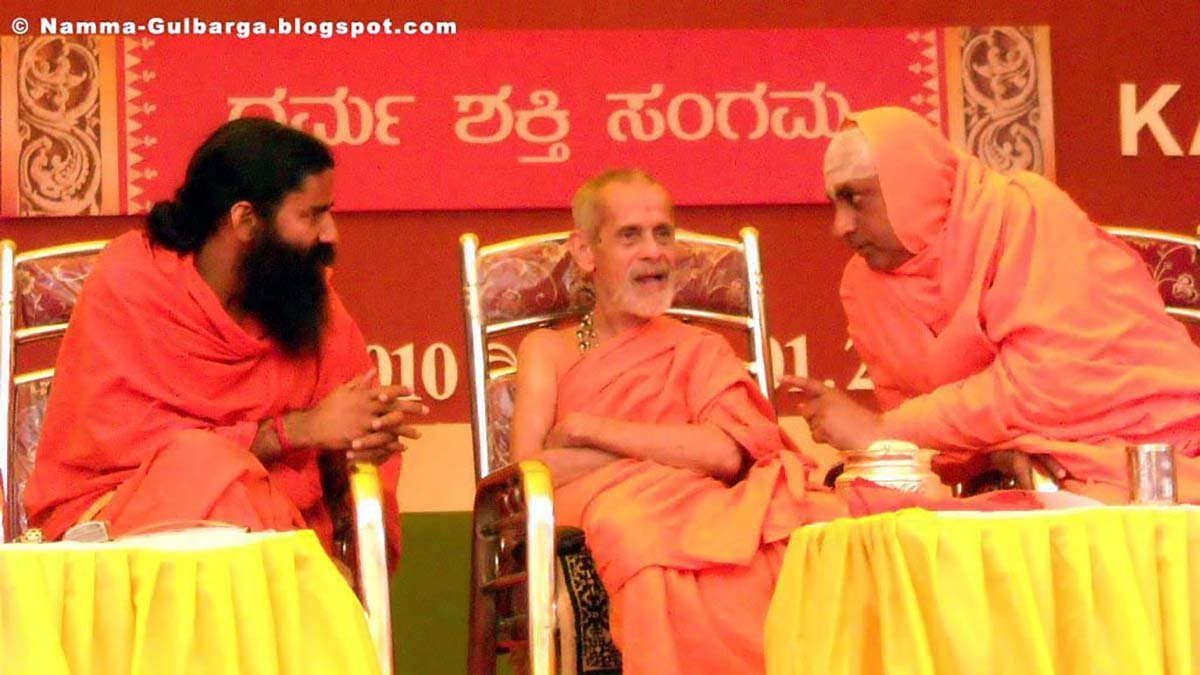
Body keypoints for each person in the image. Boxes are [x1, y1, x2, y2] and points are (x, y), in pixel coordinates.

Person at [508, 168, 1053, 675]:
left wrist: (586, 430)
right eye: (630, 236)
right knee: (640, 536)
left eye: (663, 234)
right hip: (614, 512)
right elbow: (530, 472)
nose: (653, 252)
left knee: (836, 530)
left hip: (704, 505)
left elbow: (725, 455)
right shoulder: (547, 351)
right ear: (586, 250)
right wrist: (669, 450)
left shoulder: (698, 348)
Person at [23, 118, 424, 559]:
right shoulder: (130, 283)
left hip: (278, 530)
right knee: (212, 475)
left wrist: (360, 441)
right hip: (123, 525)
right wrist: (296, 430)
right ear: (245, 219)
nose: (330, 234)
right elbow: (139, 452)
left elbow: (341, 448)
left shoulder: (308, 299)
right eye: (311, 215)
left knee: (235, 497)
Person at [790, 106, 1200, 502]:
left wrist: (883, 433)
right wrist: (997, 450)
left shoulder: (1024, 214)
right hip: (1037, 478)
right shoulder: (864, 287)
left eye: (855, 199)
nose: (840, 226)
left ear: (911, 184)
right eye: (834, 204)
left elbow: (1042, 382)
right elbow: (937, 455)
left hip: (1161, 454)